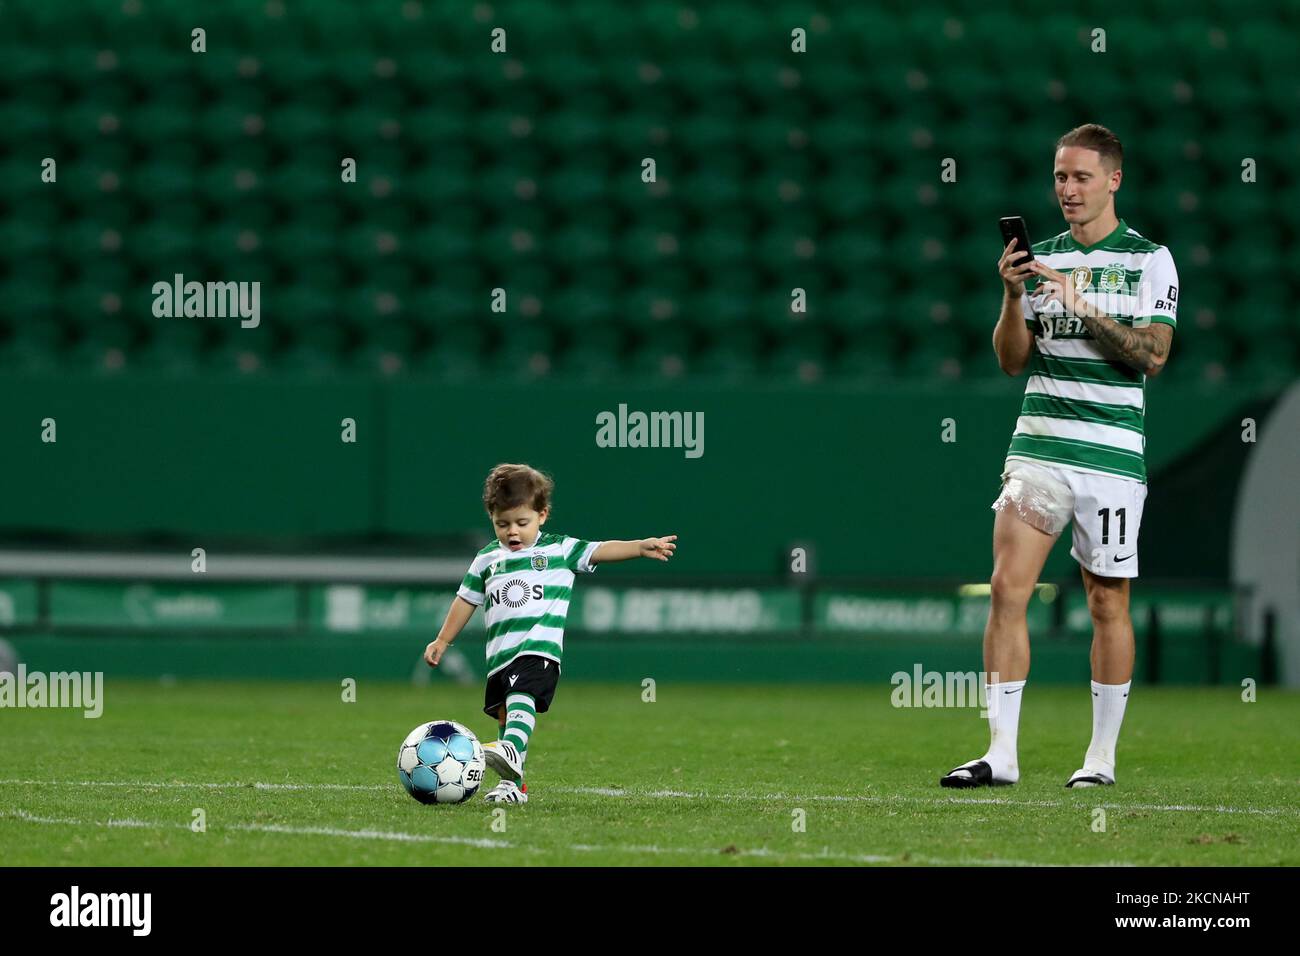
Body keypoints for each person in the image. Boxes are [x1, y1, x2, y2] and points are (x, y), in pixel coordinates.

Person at [942, 123, 1178, 789]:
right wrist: (1015, 297)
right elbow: (1014, 361)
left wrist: (1082, 303)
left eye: (1080, 177)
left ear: (1113, 179)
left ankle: (1099, 758)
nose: (1067, 190)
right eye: (1059, 177)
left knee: (1106, 602)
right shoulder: (1041, 258)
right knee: (1006, 590)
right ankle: (1001, 754)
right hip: (1039, 447)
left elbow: (1152, 356)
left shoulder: (1148, 260)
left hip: (1108, 457)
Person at [425, 462, 677, 803]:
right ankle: (513, 786)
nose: (512, 532)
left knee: (519, 700)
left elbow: (600, 549)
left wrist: (638, 546)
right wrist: (443, 640)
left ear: (542, 515)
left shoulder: (559, 550)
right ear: (491, 519)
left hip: (538, 651)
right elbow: (465, 600)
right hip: (500, 658)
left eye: (521, 523)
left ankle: (511, 750)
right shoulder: (486, 560)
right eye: (503, 524)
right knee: (505, 714)